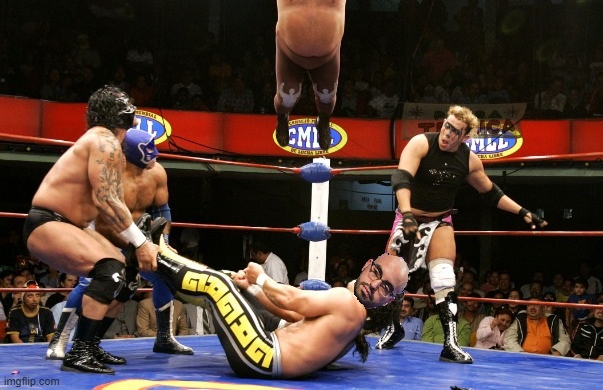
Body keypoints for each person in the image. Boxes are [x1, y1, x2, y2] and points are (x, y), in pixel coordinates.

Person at [215, 0, 414, 151]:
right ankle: (282, 118)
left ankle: (324, 120)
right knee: (286, 99)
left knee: (327, 98)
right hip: (289, 52)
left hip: (327, 55)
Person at [383, 105, 548, 362]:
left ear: (465, 136)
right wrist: (406, 214)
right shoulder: (421, 143)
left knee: (444, 278)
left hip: (440, 221)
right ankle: (394, 327)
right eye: (446, 126)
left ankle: (450, 344)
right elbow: (401, 178)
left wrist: (523, 211)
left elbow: (491, 192)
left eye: (455, 131)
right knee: (393, 277)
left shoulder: (468, 160)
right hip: (409, 215)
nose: (447, 133)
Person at [23, 85, 160, 374]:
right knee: (109, 269)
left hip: (76, 226)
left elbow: (112, 208)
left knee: (127, 277)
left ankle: (92, 344)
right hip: (49, 221)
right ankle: (79, 352)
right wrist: (141, 242)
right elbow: (107, 200)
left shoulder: (108, 144)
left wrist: (139, 245)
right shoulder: (103, 140)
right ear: (122, 114)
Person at [154, 240, 409, 379]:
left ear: (388, 300)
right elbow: (293, 316)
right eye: (376, 273)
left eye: (385, 287)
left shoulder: (348, 302)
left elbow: (291, 300)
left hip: (262, 356)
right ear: (367, 266)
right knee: (232, 281)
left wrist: (261, 277)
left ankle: (156, 254)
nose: (373, 285)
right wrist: (253, 288)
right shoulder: (355, 322)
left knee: (217, 284)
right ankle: (159, 267)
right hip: (265, 356)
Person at [47, 128, 193, 362]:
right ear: (129, 158)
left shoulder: (157, 172)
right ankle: (60, 340)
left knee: (164, 274)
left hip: (139, 239)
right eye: (148, 158)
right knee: (90, 282)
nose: (153, 162)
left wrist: (163, 243)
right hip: (103, 235)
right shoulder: (107, 175)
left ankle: (164, 338)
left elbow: (162, 210)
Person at [503, 297, 570, 356]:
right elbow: (509, 339)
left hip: (548, 359)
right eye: (529, 305)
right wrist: (520, 353)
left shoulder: (553, 320)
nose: (532, 307)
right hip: (523, 358)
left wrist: (557, 353)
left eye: (536, 305)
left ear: (543, 307)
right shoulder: (520, 319)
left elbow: (565, 340)